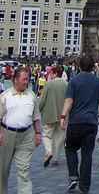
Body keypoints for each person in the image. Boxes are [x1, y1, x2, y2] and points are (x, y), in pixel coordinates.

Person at [61, 54, 99, 193]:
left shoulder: (74, 81)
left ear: (79, 66)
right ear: (93, 67)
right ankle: (84, 186)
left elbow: (69, 100)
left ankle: (73, 176)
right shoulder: (97, 82)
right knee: (87, 155)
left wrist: (63, 116)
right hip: (91, 123)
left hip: (75, 122)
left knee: (70, 148)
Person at [0, 66, 42, 194]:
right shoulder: (5, 96)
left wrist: (38, 133)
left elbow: (36, 116)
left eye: (27, 79)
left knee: (24, 170)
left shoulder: (31, 95)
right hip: (6, 136)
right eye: (24, 79)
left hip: (26, 136)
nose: (26, 82)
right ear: (15, 80)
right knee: (2, 170)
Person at [39, 64, 67, 168]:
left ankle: (49, 151)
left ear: (54, 73)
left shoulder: (49, 84)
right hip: (63, 115)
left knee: (47, 135)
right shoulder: (66, 84)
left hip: (49, 113)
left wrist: (38, 110)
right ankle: (55, 157)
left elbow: (42, 100)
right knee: (59, 137)